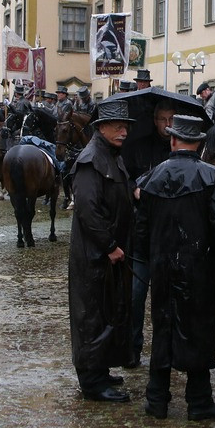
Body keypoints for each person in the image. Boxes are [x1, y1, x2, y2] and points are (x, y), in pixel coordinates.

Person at [134, 114, 215, 421]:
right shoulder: (212, 179)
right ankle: (199, 401)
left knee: (163, 327)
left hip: (161, 268)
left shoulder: (151, 179)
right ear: (198, 144)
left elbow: (140, 230)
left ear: (172, 140)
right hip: (199, 269)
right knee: (199, 329)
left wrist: (147, 261)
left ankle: (157, 399)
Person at [68, 98, 136, 403]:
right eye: (118, 127)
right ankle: (92, 383)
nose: (124, 132)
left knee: (109, 312)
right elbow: (88, 210)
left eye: (126, 127)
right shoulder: (90, 159)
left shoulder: (113, 155)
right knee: (91, 316)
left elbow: (121, 190)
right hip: (93, 255)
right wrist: (109, 246)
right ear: (102, 128)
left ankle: (101, 369)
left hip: (110, 253)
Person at [123, 101, 176, 368]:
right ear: (154, 120)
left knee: (170, 299)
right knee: (135, 295)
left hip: (170, 235)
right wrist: (134, 188)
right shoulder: (138, 147)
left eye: (171, 119)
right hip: (142, 234)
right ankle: (132, 348)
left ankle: (168, 350)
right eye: (162, 119)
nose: (167, 125)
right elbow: (125, 175)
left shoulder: (181, 148)